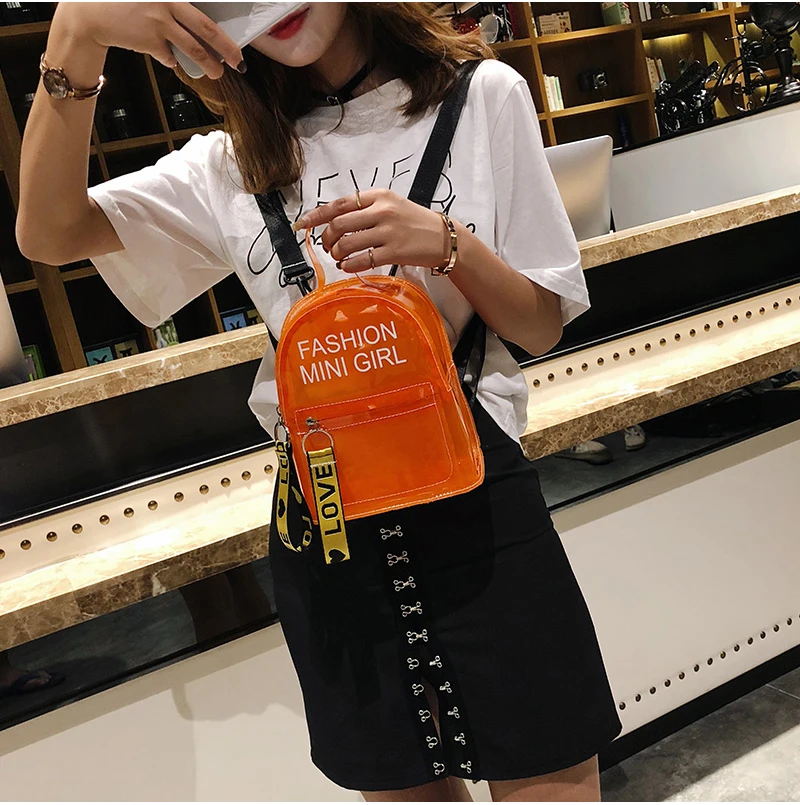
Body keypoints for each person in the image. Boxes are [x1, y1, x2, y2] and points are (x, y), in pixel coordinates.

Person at [17, 3, 622, 800]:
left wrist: (450, 245)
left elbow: (540, 326)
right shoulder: (230, 163)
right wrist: (74, 34)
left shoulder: (482, 97)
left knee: (552, 773)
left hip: (482, 514)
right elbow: (49, 232)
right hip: (329, 529)